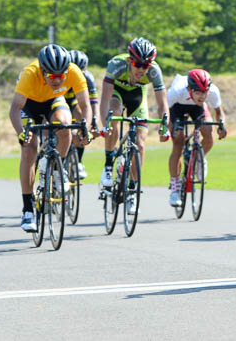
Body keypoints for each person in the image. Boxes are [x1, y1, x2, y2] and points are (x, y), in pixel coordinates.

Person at [9, 44, 92, 232]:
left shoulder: (73, 71)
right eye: (52, 76)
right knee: (29, 148)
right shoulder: (30, 73)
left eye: (61, 75)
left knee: (65, 125)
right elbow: (14, 108)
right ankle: (28, 210)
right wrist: (21, 132)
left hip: (53, 101)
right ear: (43, 70)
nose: (58, 79)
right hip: (28, 105)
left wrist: (84, 129)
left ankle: (57, 166)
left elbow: (85, 106)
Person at [98, 38, 169, 214]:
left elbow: (162, 105)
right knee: (113, 114)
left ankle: (132, 188)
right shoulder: (116, 65)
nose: (142, 69)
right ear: (130, 61)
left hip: (137, 97)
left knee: (141, 143)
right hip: (116, 94)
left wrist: (164, 126)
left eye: (146, 65)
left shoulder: (154, 72)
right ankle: (108, 164)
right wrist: (105, 124)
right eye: (138, 64)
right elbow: (105, 99)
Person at [166, 69, 228, 207]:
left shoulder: (212, 92)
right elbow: (165, 113)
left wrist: (221, 126)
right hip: (176, 108)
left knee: (208, 131)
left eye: (204, 92)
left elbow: (219, 112)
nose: (202, 96)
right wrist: (169, 128)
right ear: (189, 89)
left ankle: (200, 158)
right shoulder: (175, 91)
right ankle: (175, 187)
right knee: (178, 143)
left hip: (197, 108)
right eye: (198, 92)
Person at [64, 50, 100, 178]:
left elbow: (93, 103)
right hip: (60, 100)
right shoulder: (61, 74)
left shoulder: (88, 78)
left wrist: (94, 123)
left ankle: (78, 162)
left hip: (74, 101)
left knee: (82, 116)